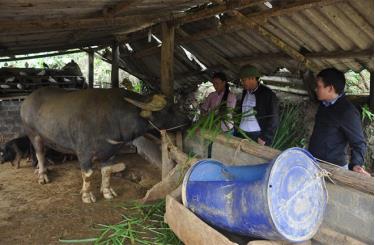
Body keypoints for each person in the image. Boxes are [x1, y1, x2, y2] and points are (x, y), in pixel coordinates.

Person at [309, 68, 370, 176]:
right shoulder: (324, 104)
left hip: (333, 170)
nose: (315, 89)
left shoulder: (347, 112)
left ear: (330, 88)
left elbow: (359, 143)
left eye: (319, 86)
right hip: (314, 163)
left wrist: (356, 165)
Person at [234, 65, 279, 146]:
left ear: (252, 78)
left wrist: (265, 137)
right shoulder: (245, 92)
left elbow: (274, 119)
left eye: (244, 80)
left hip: (257, 136)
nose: (242, 83)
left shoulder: (267, 94)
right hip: (241, 133)